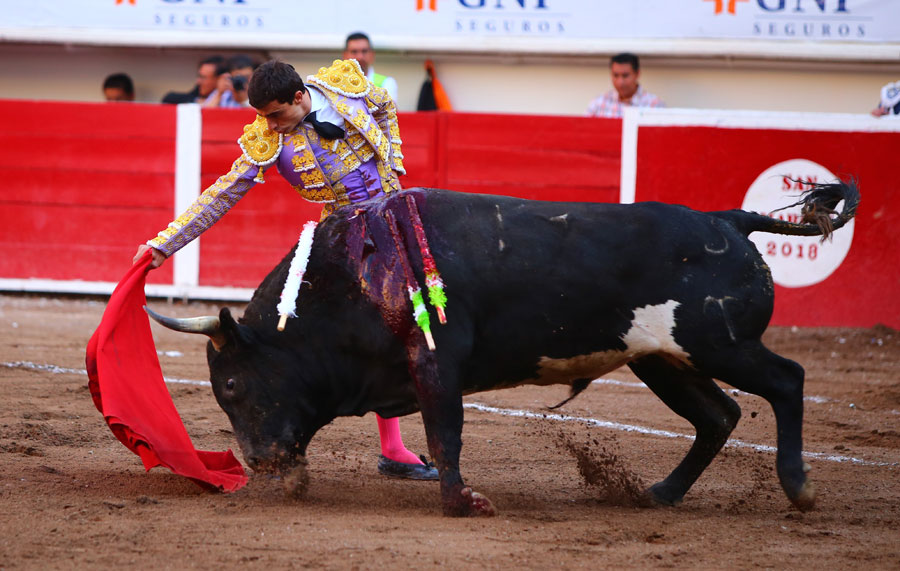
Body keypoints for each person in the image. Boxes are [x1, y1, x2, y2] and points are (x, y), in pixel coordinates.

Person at [133, 59, 437, 480]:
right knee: (379, 329)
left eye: (276, 115)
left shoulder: (345, 85)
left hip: (397, 215)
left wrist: (394, 158)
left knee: (430, 313)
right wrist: (164, 244)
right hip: (345, 238)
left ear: (299, 97)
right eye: (263, 117)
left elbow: (384, 107)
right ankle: (394, 448)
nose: (271, 126)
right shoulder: (266, 138)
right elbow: (221, 194)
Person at [586, 52, 664, 118]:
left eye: (625, 76)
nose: (620, 82)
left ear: (637, 74)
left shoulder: (654, 105)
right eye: (616, 75)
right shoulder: (598, 103)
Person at [343, 32, 398, 101]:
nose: (360, 57)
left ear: (372, 54)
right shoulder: (334, 84)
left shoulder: (387, 83)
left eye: (364, 51)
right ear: (345, 55)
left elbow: (390, 110)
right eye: (354, 51)